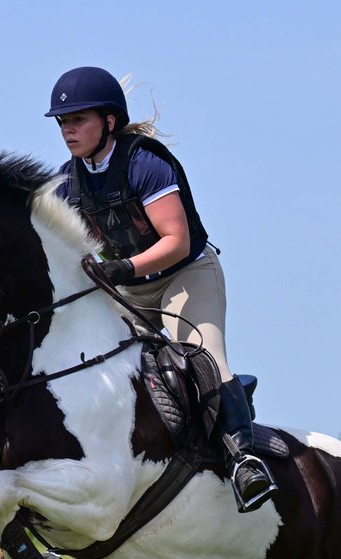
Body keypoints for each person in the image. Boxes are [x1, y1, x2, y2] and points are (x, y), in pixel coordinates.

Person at [45, 66, 277, 513]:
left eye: (78, 120)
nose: (67, 130)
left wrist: (122, 268)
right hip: (128, 289)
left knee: (201, 354)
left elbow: (176, 241)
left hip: (184, 274)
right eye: (62, 122)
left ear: (109, 121)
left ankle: (244, 462)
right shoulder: (68, 181)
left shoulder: (144, 162)